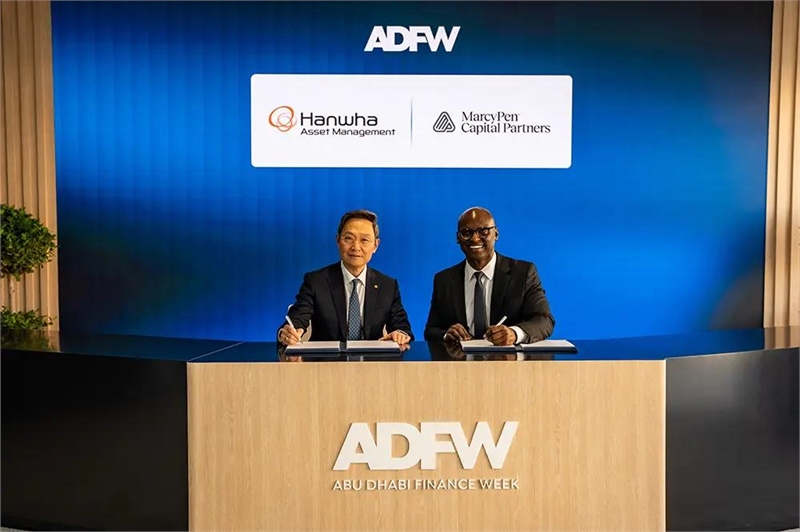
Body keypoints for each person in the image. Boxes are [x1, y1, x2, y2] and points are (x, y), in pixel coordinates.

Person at [278, 210, 413, 346]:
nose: (356, 247)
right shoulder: (316, 281)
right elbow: (297, 318)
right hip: (326, 358)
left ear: (375, 245)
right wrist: (288, 333)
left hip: (371, 358)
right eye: (349, 238)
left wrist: (400, 334)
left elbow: (401, 326)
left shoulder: (388, 285)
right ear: (338, 240)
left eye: (364, 240)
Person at [424, 207, 555, 346]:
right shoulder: (443, 280)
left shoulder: (523, 273)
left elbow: (544, 320)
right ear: (458, 238)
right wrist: (447, 335)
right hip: (461, 359)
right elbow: (431, 331)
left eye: (483, 231)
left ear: (496, 234)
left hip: (509, 358)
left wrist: (515, 333)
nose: (475, 238)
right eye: (466, 232)